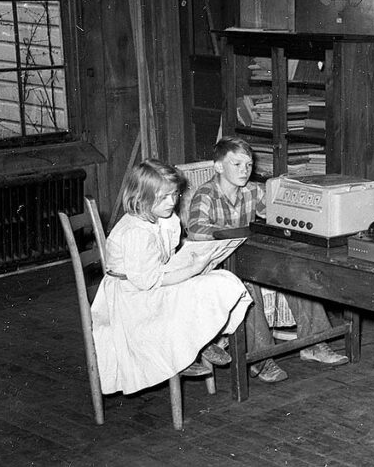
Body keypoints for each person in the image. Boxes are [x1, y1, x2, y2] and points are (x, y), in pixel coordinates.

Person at [187, 137, 348, 384]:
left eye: (248, 165)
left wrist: (287, 195)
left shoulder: (252, 190)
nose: (244, 170)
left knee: (297, 269)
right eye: (237, 164)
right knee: (246, 288)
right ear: (218, 166)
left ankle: (314, 343)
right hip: (218, 264)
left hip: (249, 256)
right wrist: (236, 233)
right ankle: (261, 359)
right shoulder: (206, 194)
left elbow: (276, 213)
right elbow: (196, 229)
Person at [90, 159, 252, 395]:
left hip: (149, 284)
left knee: (221, 280)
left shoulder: (162, 219)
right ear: (140, 197)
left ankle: (202, 340)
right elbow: (148, 281)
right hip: (132, 299)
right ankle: (187, 350)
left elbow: (164, 258)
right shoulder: (136, 232)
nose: (171, 202)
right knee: (204, 286)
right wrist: (193, 269)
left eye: (174, 195)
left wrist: (196, 258)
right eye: (163, 197)